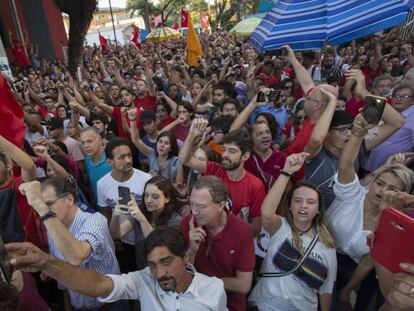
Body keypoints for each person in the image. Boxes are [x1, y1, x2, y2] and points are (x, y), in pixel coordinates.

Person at [5, 226, 228, 310]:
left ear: (185, 256)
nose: (159, 274)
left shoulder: (214, 289)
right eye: (152, 265)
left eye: (167, 262)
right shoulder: (143, 280)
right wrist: (47, 262)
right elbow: (99, 285)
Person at [325, 114, 414, 309]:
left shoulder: (393, 225)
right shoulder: (352, 193)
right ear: (372, 181)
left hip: (353, 271)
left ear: (403, 195)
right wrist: (357, 132)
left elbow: (368, 263)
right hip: (322, 257)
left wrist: (347, 291)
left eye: (393, 189)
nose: (383, 191)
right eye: (380, 184)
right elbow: (346, 164)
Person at [249, 152, 337, 311]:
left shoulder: (328, 246)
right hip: (266, 305)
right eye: (297, 201)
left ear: (318, 209)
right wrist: (286, 172)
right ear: (289, 206)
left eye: (310, 202)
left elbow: (326, 290)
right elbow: (267, 213)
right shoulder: (280, 227)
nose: (303, 205)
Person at [19, 177, 121, 310]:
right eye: (43, 206)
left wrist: (39, 204)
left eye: (49, 204)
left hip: (110, 306)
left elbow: (76, 256)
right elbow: (64, 282)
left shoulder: (95, 220)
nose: (43, 211)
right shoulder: (53, 230)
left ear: (69, 200)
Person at [179, 118, 265, 235]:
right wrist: (191, 135)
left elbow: (256, 229)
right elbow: (184, 160)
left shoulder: (255, 185)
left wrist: (236, 222)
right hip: (203, 232)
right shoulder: (214, 169)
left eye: (232, 151)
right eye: (224, 149)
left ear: (245, 156)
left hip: (231, 239)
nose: (225, 155)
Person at [181, 176, 255, 311]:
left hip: (229, 304)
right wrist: (192, 250)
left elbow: (244, 285)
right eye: (192, 204)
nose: (195, 212)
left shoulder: (242, 231)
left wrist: (203, 281)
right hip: (193, 301)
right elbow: (182, 273)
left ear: (221, 205)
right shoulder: (187, 223)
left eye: (201, 206)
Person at [97, 138, 152, 272]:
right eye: (122, 157)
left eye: (129, 155)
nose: (128, 160)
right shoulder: (102, 184)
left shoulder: (146, 179)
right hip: (122, 243)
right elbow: (106, 212)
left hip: (146, 239)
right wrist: (112, 237)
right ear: (110, 161)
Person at [110, 176, 183, 268]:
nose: (148, 200)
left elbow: (158, 245)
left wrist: (141, 219)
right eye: (146, 195)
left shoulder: (175, 220)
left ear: (167, 198)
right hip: (142, 269)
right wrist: (115, 216)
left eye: (155, 197)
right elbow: (117, 234)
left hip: (165, 270)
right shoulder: (142, 211)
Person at [128, 108, 181, 181]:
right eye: (160, 142)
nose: (162, 145)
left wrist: (159, 179)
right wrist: (132, 120)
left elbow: (179, 186)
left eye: (166, 143)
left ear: (171, 147)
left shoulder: (176, 161)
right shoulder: (152, 155)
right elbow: (136, 140)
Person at [80, 127, 112, 202]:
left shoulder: (112, 161)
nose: (86, 146)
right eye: (83, 142)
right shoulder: (87, 160)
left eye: (89, 141)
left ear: (100, 140)